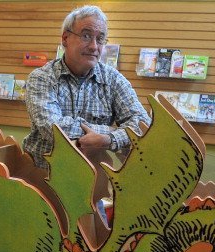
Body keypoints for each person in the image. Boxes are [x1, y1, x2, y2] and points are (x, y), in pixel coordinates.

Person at [22, 5, 151, 170]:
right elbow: (53, 129)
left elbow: (142, 124)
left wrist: (108, 139)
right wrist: (111, 130)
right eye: (86, 36)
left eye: (100, 39)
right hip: (41, 177)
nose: (94, 46)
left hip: (93, 181)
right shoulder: (41, 77)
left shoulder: (113, 80)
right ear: (65, 39)